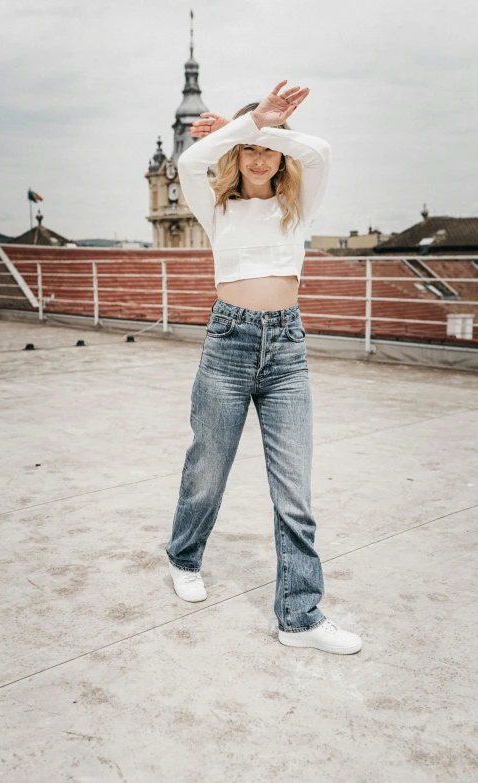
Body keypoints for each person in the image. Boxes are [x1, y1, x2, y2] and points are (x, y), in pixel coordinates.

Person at [165, 80, 362, 655]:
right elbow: (189, 160)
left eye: (269, 147)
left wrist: (266, 124)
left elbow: (320, 151)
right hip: (228, 344)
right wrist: (247, 126)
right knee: (209, 467)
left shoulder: (297, 204)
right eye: (249, 148)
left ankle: (299, 618)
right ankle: (184, 557)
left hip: (286, 353)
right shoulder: (216, 204)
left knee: (295, 491)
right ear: (237, 152)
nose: (257, 157)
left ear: (281, 153)